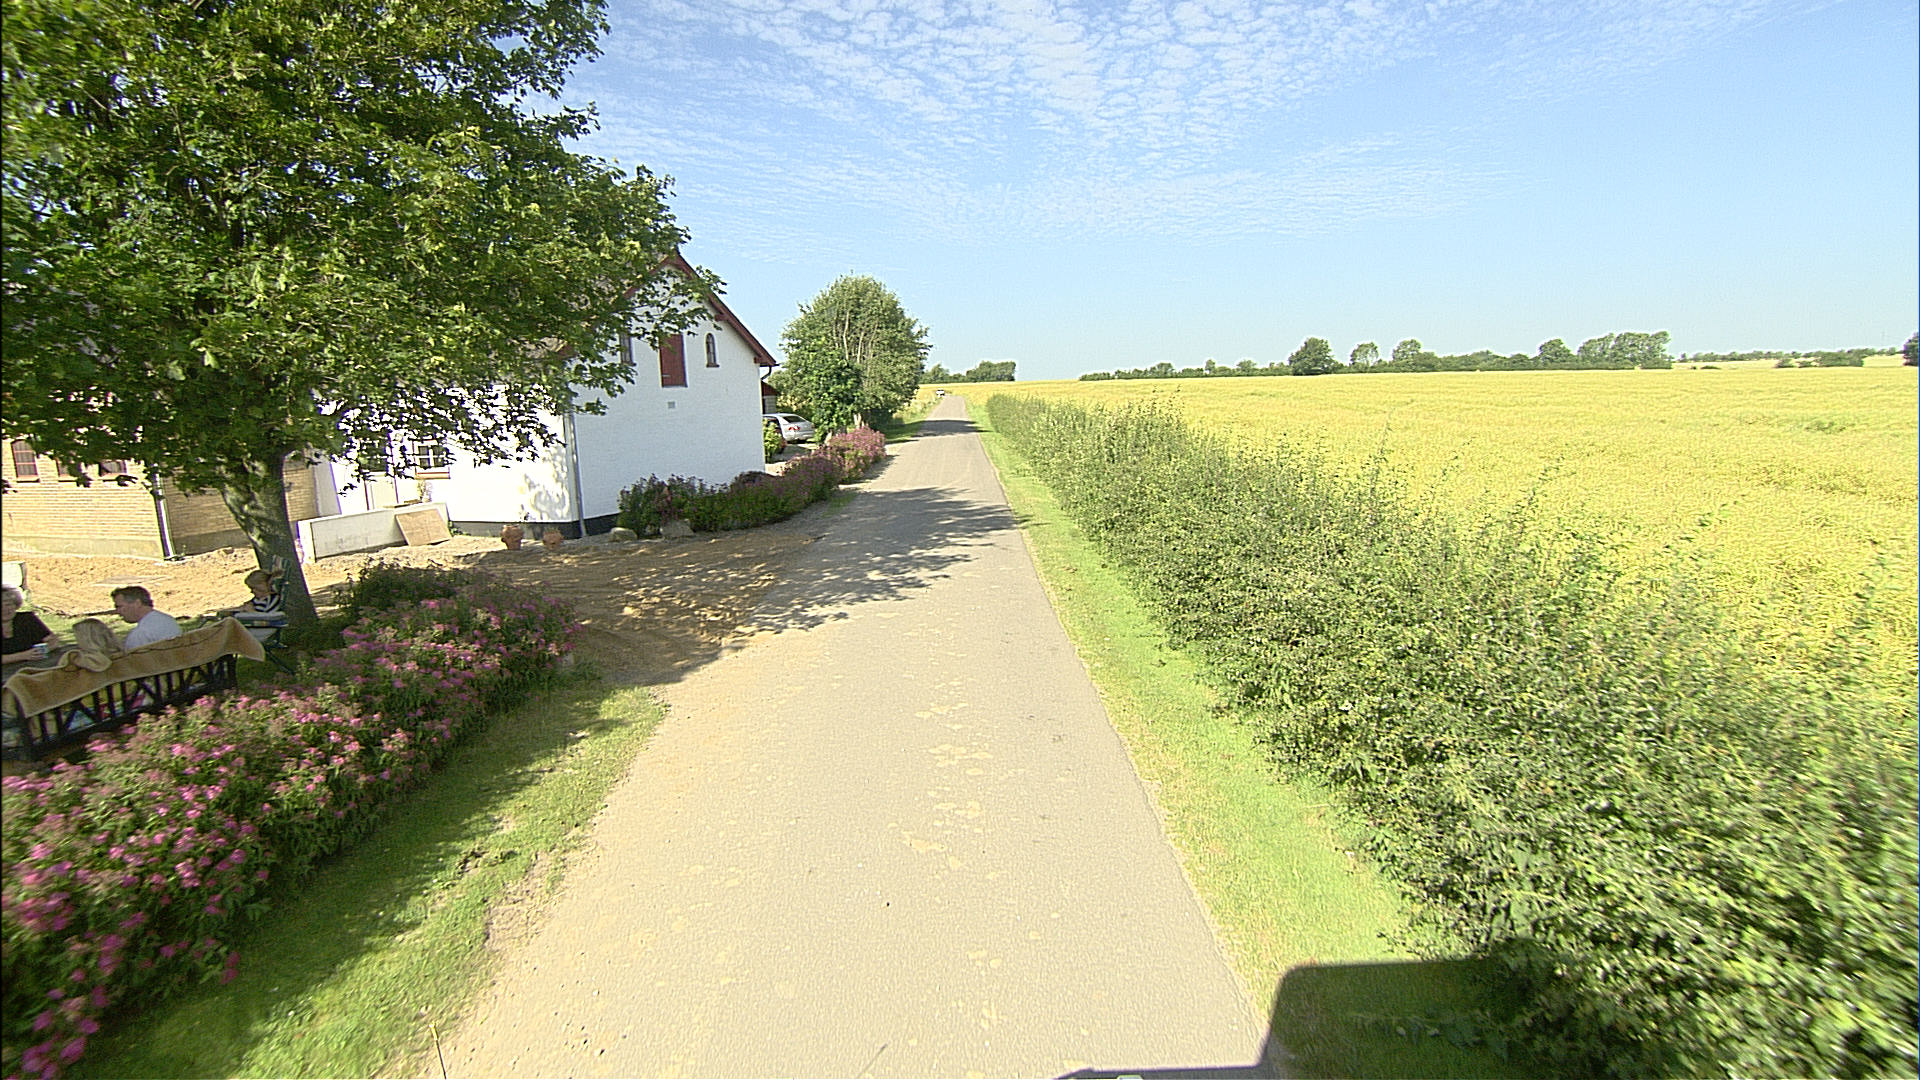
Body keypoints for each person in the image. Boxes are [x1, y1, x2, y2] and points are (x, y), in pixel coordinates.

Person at [111, 586, 182, 650]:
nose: (117, 611)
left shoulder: (140, 634)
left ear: (137, 603)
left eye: (119, 607)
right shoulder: (167, 620)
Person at [2, 584, 58, 663]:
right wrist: (23, 656)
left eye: (8, 604)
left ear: (15, 605)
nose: (5, 609)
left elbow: (53, 640)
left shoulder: (27, 618)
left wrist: (43, 651)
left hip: (36, 666)